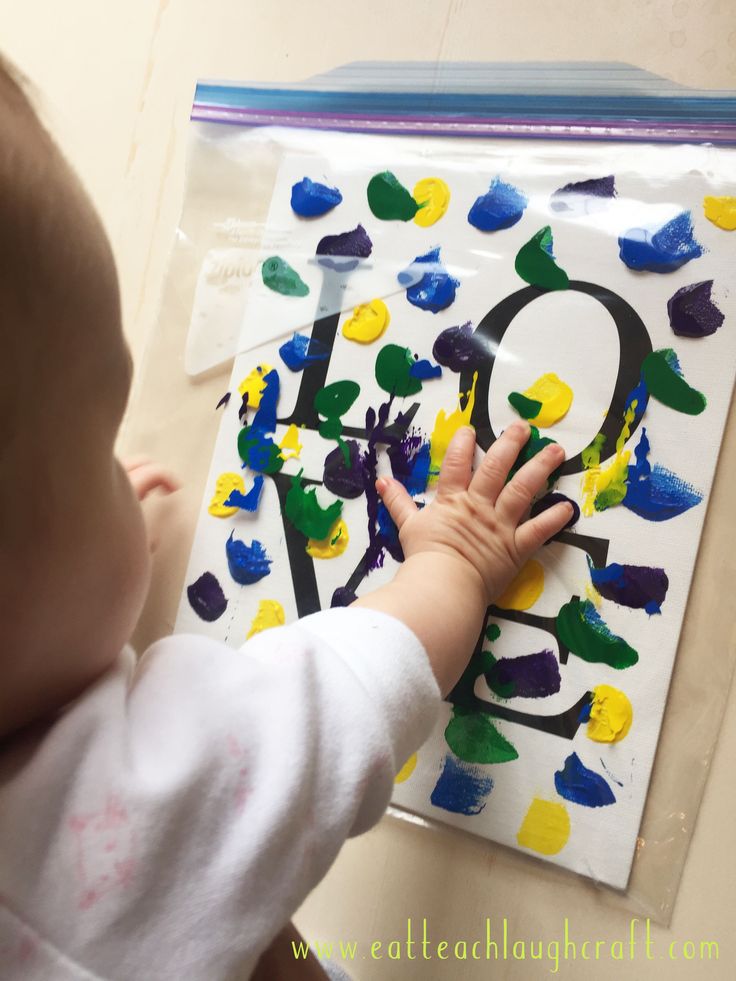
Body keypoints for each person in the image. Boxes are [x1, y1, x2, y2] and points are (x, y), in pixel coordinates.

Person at [0, 59, 573, 980]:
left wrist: (60, 551)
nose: (125, 466)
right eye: (97, 446)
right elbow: (350, 687)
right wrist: (453, 560)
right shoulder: (110, 819)